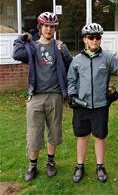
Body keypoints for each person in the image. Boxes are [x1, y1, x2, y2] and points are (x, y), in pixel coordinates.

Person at [13, 12, 72, 181]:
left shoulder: (59, 46)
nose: (49, 29)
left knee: (54, 131)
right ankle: (32, 164)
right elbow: (16, 54)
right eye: (46, 26)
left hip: (55, 96)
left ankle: (51, 162)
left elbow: (71, 66)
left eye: (52, 27)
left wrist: (65, 52)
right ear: (40, 28)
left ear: (55, 29)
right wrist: (22, 38)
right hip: (36, 97)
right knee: (34, 132)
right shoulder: (32, 47)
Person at [67, 23, 118, 183]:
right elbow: (71, 80)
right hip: (81, 106)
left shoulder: (107, 58)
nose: (95, 40)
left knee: (100, 137)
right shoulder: (77, 60)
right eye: (91, 37)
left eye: (98, 37)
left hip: (101, 106)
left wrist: (117, 92)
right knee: (82, 136)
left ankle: (100, 166)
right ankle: (79, 165)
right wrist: (72, 94)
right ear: (85, 40)